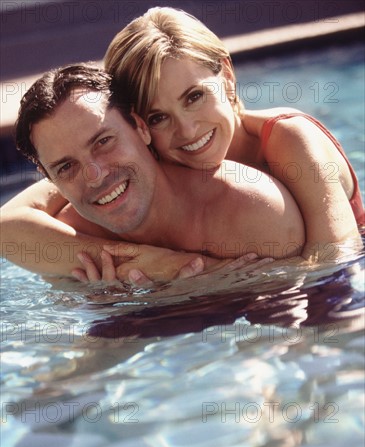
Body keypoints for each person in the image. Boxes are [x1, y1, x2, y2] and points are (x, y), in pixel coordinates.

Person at [1, 63, 307, 283]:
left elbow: (311, 323)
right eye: (66, 167)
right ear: (49, 177)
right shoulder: (68, 242)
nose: (95, 175)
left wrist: (199, 280)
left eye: (104, 142)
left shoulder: (252, 213)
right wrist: (147, 270)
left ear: (140, 127)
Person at [104, 6, 364, 247]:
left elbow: (338, 264)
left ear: (227, 76)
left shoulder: (292, 139)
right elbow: (67, 204)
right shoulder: (156, 170)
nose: (187, 130)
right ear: (139, 126)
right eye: (157, 118)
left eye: (194, 97)